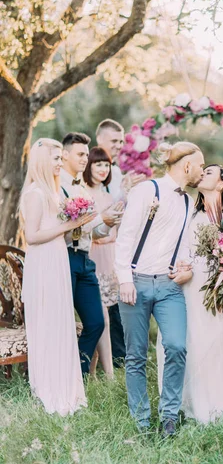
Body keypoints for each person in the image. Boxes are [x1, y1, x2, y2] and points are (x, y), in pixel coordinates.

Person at [156, 164, 223, 424]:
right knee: (195, 341)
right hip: (192, 286)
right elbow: (178, 248)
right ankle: (194, 400)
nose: (203, 173)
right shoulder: (190, 214)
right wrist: (183, 266)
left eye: (210, 171)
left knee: (220, 342)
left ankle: (220, 400)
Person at [115, 141, 205, 438]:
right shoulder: (146, 190)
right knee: (136, 355)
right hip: (136, 283)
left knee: (177, 347)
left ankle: (169, 416)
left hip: (169, 287)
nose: (203, 171)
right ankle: (142, 421)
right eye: (201, 165)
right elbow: (126, 237)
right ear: (187, 165)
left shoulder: (188, 201)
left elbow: (187, 247)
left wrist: (187, 267)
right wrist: (124, 279)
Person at [20, 138, 92, 415]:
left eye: (62, 159)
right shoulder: (35, 193)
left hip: (58, 258)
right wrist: (69, 225)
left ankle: (66, 384)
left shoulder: (52, 192)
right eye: (56, 159)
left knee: (61, 321)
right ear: (41, 161)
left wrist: (76, 223)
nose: (61, 163)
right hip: (44, 261)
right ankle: (49, 387)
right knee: (49, 323)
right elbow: (33, 236)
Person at [61, 132, 121, 375]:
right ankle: (70, 377)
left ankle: (80, 376)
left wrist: (108, 222)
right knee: (64, 320)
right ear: (65, 155)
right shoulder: (59, 186)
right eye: (80, 154)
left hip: (86, 259)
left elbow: (95, 232)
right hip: (65, 257)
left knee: (96, 322)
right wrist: (100, 219)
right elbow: (64, 225)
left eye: (87, 154)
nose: (85, 158)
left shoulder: (82, 190)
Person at [96, 118, 145, 367]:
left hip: (117, 245)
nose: (118, 145)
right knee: (107, 305)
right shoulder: (95, 173)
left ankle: (122, 355)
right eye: (114, 140)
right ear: (100, 139)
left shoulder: (119, 173)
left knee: (118, 303)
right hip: (98, 246)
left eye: (121, 141)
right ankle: (113, 358)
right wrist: (123, 193)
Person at [83, 147, 123, 379]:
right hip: (92, 258)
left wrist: (102, 233)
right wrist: (100, 233)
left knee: (103, 315)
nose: (102, 169)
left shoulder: (108, 197)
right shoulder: (83, 194)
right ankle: (108, 374)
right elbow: (90, 234)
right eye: (98, 164)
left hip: (109, 259)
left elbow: (112, 235)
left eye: (106, 165)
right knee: (100, 317)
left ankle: (94, 371)